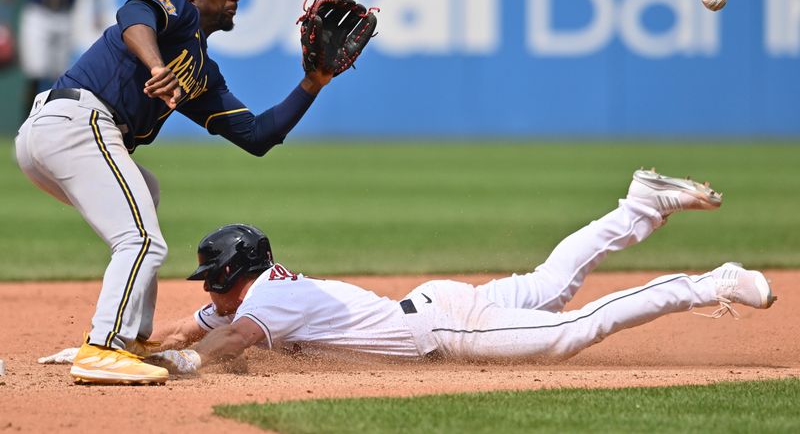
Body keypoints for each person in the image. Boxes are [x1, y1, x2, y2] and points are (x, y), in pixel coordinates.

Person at [16, 0, 363, 385]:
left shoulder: (201, 71)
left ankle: (132, 340)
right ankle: (102, 348)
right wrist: (157, 65)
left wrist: (313, 82)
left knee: (147, 194)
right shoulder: (175, 10)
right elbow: (133, 17)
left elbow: (257, 136)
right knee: (141, 238)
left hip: (62, 133)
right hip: (77, 120)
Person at [140, 169, 776, 376]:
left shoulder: (265, 307)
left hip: (445, 332)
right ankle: (638, 205)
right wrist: (123, 352)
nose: (212, 293)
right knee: (553, 282)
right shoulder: (258, 290)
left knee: (571, 329)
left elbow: (220, 345)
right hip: (436, 305)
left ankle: (709, 283)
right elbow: (190, 329)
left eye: (217, 281)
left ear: (242, 273)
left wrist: (171, 372)